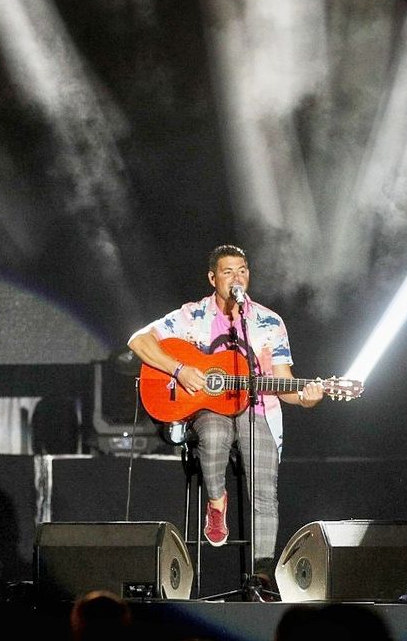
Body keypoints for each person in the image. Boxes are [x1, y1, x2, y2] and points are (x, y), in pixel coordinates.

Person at [127, 245, 322, 585]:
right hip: (206, 410)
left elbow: (284, 383)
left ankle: (261, 572)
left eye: (243, 270)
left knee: (264, 486)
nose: (237, 278)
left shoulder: (268, 322)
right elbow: (138, 341)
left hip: (256, 410)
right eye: (228, 271)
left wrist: (306, 399)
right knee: (215, 434)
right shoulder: (191, 316)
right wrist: (180, 369)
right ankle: (217, 503)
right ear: (213, 278)